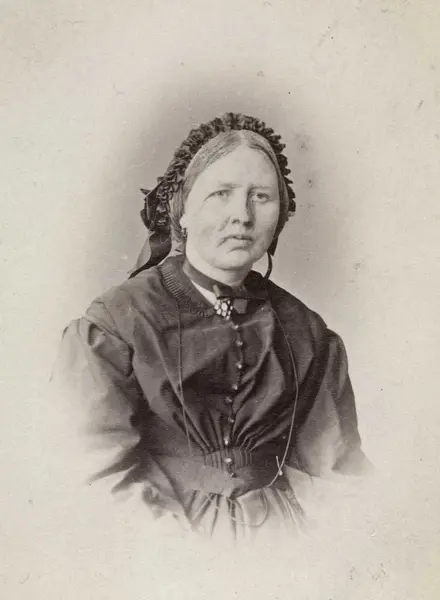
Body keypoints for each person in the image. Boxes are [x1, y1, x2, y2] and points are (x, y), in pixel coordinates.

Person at [55, 112, 371, 540]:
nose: (242, 215)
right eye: (221, 194)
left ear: (280, 215)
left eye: (261, 197)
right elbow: (93, 476)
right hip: (154, 538)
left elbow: (338, 477)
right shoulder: (117, 323)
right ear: (182, 210)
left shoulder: (306, 333)